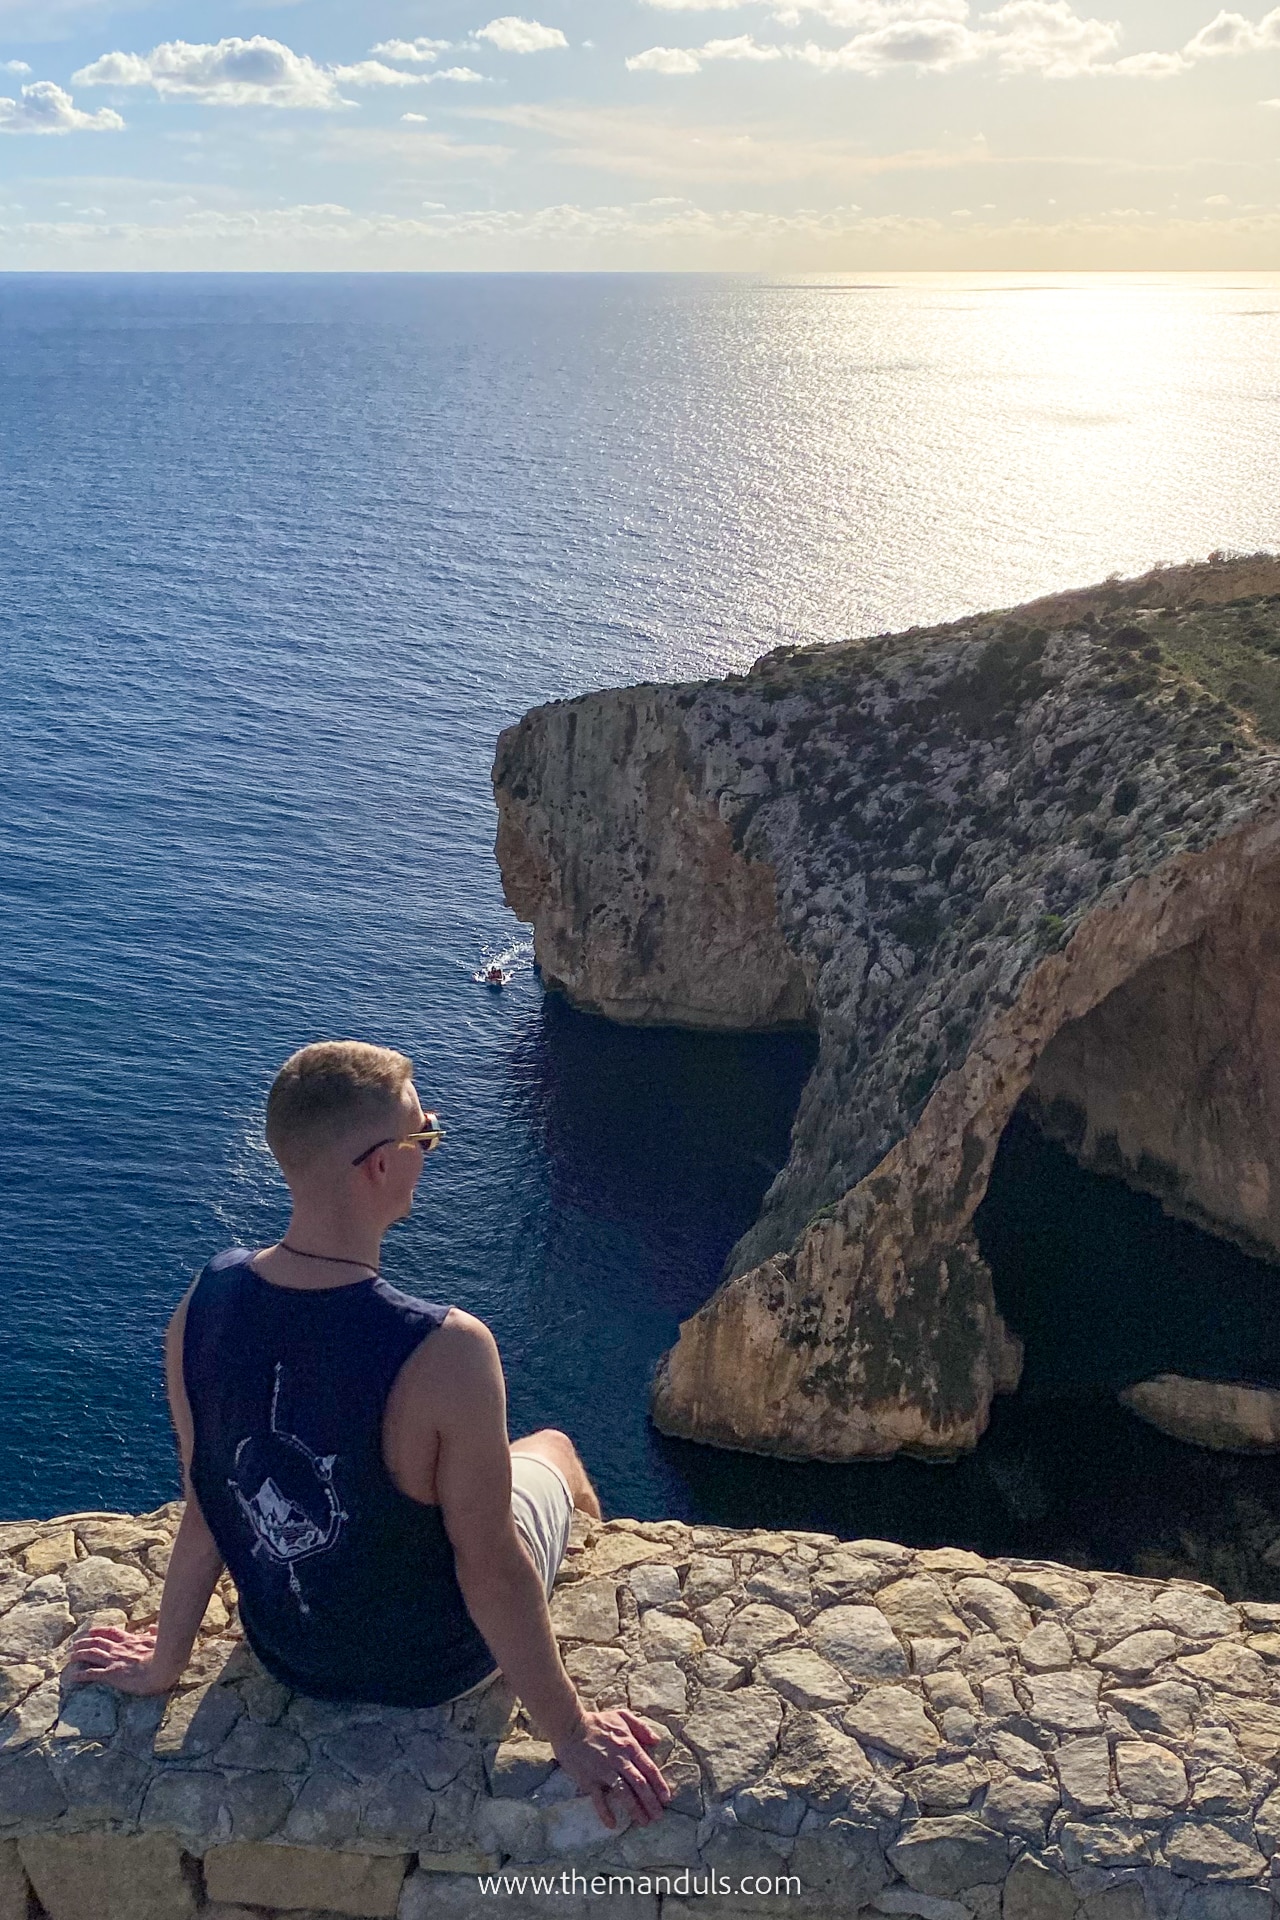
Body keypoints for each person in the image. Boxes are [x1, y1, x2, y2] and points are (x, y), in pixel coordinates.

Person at [67, 1041, 670, 1831]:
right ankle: (597, 1557)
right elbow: (490, 1568)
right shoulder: (448, 1347)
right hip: (434, 1669)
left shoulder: (202, 1304)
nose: (431, 1150)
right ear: (382, 1165)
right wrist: (572, 1729)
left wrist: (162, 1662)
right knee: (552, 1449)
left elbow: (210, 1497)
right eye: (427, 1137)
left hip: (290, 1655)